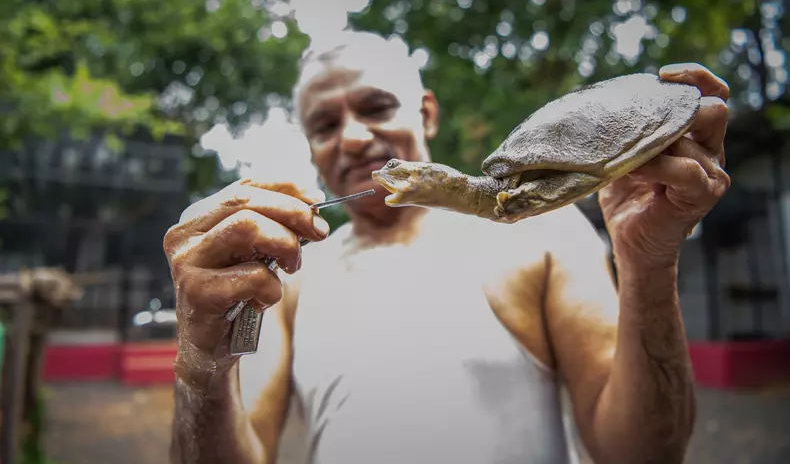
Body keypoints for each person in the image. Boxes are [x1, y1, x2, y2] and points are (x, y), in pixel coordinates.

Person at [163, 31, 731, 464]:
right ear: (310, 146)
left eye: (376, 106)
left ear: (426, 112)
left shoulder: (540, 233)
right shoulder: (288, 278)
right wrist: (201, 361)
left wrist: (647, 261)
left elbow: (641, 453)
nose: (354, 135)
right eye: (325, 123)